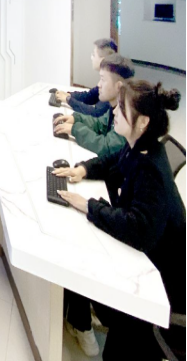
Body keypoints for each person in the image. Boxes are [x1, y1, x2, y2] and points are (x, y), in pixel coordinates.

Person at [54, 80, 185, 360]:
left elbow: (136, 228)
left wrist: (90, 205)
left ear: (143, 122)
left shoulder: (152, 172)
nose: (114, 112)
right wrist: (83, 169)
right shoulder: (139, 146)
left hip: (159, 285)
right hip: (147, 257)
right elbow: (113, 161)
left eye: (122, 109)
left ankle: (89, 319)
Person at [54, 54, 135, 157]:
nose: (99, 85)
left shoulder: (127, 115)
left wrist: (75, 130)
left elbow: (107, 147)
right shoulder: (115, 107)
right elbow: (99, 123)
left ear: (118, 86)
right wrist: (76, 119)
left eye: (103, 80)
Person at [55, 38, 118, 117]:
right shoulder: (109, 75)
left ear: (103, 60)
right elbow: (90, 96)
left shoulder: (111, 82)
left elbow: (96, 113)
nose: (91, 57)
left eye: (94, 55)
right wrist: (69, 95)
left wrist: (69, 100)